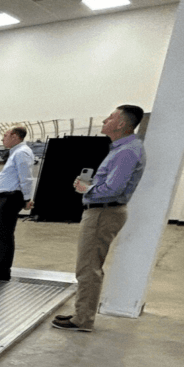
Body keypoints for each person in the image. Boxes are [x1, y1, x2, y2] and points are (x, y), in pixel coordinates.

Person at [53, 105, 146, 332]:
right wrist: (90, 187)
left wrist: (87, 188)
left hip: (103, 212)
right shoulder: (123, 148)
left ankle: (82, 319)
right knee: (89, 266)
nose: (106, 120)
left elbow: (113, 189)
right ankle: (82, 314)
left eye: (112, 117)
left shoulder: (126, 151)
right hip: (104, 210)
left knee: (88, 268)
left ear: (122, 124)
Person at [0, 127, 34, 281]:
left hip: (11, 197)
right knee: (0, 233)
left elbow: (26, 177)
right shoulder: (16, 152)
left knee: (5, 234)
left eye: (5, 135)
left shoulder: (22, 152)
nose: (2, 139)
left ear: (15, 136)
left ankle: (3, 271)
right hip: (7, 197)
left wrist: (27, 199)